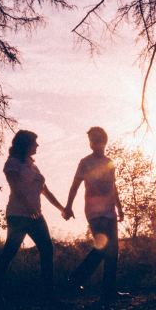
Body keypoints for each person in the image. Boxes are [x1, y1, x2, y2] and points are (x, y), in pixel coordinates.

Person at [0, 130, 67, 299]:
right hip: (18, 215)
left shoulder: (33, 166)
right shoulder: (12, 163)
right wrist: (28, 207)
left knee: (47, 249)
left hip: (35, 215)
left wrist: (62, 208)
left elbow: (45, 191)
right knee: (11, 250)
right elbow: (15, 187)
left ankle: (48, 293)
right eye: (34, 142)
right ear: (25, 144)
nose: (37, 145)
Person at [63, 127, 124, 301]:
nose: (93, 143)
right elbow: (75, 185)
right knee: (102, 247)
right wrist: (68, 206)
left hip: (110, 210)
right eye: (91, 140)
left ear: (104, 141)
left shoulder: (109, 162)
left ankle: (109, 291)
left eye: (96, 140)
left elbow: (113, 186)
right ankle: (75, 280)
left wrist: (119, 207)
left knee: (113, 250)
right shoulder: (85, 162)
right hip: (94, 211)